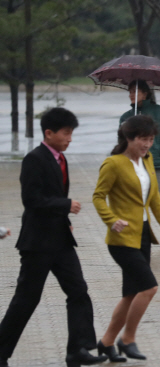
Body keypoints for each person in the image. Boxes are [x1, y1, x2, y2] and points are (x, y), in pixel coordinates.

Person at [0, 108, 107, 367]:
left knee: (79, 291)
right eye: (66, 133)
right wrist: (65, 205)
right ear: (48, 133)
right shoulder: (34, 159)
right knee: (27, 299)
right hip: (37, 243)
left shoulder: (61, 159)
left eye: (72, 134)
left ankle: (78, 350)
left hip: (60, 241)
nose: (70, 139)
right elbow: (32, 200)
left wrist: (65, 219)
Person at [93, 115, 160, 361]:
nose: (147, 144)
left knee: (131, 294)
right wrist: (111, 220)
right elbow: (99, 196)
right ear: (129, 138)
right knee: (149, 287)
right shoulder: (113, 164)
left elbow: (153, 198)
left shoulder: (148, 160)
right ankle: (127, 339)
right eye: (143, 139)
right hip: (121, 238)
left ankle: (106, 342)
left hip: (142, 235)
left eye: (151, 139)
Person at [120, 79, 160, 246]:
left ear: (145, 94)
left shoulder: (158, 111)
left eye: (134, 91)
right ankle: (139, 232)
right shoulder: (126, 117)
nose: (131, 95)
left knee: (159, 197)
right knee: (136, 197)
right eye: (129, 92)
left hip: (156, 162)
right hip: (133, 163)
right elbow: (121, 140)